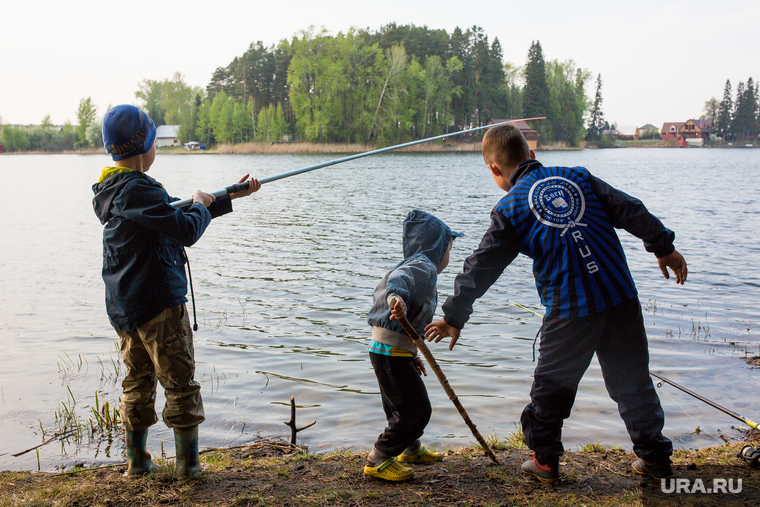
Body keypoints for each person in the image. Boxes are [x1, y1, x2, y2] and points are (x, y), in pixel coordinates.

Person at [425, 123, 688, 483]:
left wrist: (454, 315)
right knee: (632, 381)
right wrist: (664, 246)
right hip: (619, 295)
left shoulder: (511, 208)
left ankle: (545, 461)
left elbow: (481, 265)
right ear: (532, 155)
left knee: (552, 385)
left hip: (570, 309)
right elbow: (629, 209)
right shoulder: (577, 176)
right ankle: (655, 457)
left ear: (494, 170)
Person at [92, 104, 261, 479]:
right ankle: (189, 467)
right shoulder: (141, 190)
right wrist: (201, 203)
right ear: (143, 149)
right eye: (154, 143)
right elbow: (185, 229)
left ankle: (137, 463)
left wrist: (224, 198)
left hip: (124, 310)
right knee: (180, 383)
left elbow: (171, 218)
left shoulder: (114, 191)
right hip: (159, 309)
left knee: (136, 382)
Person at [364, 209, 463, 481]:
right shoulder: (423, 265)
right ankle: (379, 458)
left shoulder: (422, 267)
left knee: (400, 407)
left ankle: (410, 448)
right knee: (417, 411)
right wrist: (396, 298)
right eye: (448, 249)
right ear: (437, 247)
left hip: (392, 350)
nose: (448, 256)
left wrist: (410, 354)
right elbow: (398, 282)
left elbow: (408, 325)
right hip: (389, 351)